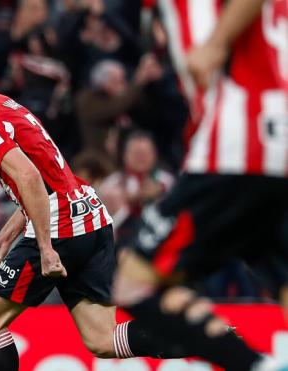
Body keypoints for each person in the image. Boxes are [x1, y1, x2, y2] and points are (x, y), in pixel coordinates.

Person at [0, 39, 192, 371]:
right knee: (102, 339)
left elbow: (31, 179)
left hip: (61, 227)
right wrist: (6, 238)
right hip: (90, 215)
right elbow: (41, 180)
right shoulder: (2, 104)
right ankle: (194, 336)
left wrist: (46, 247)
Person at [112, 0, 288, 370]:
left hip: (239, 145)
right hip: (270, 143)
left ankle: (257, 366)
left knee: (134, 282)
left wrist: (215, 43)